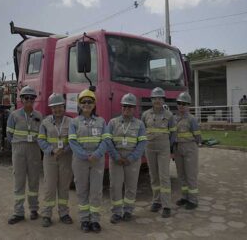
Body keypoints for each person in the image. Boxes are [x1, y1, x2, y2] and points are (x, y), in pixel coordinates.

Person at [68, 89, 111, 233]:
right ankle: (85, 220)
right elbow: (72, 142)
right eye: (83, 101)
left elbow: (106, 140)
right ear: (79, 104)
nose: (87, 104)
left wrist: (97, 154)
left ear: (94, 104)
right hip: (80, 161)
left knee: (96, 191)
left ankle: (95, 220)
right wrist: (85, 156)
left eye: (90, 101)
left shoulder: (101, 121)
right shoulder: (74, 122)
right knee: (82, 190)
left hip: (97, 160)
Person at [107, 93, 147, 224]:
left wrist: (132, 158)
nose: (127, 109)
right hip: (116, 159)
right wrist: (116, 156)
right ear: (121, 107)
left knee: (131, 186)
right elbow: (107, 141)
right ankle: (117, 212)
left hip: (132, 160)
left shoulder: (140, 124)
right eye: (125, 106)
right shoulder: (113, 123)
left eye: (130, 106)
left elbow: (142, 144)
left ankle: (128, 210)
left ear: (134, 108)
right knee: (115, 186)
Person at [6, 86, 43, 224]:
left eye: (32, 98)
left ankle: (34, 209)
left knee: (34, 181)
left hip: (34, 149)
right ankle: (18, 212)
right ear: (21, 99)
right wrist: (16, 145)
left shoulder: (39, 116)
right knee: (19, 181)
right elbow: (9, 134)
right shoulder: (14, 115)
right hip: (19, 150)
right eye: (26, 97)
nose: (29, 100)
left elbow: (42, 135)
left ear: (34, 100)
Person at [37, 93, 73, 227]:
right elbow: (40, 139)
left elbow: (73, 140)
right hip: (50, 158)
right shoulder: (45, 122)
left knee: (64, 186)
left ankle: (64, 213)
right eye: (54, 107)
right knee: (50, 187)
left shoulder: (71, 122)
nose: (57, 110)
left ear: (64, 106)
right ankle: (47, 214)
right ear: (50, 109)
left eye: (59, 107)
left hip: (65, 158)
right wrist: (51, 150)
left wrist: (65, 149)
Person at [141, 87, 175, 218]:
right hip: (149, 148)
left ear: (163, 100)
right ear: (151, 100)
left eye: (160, 98)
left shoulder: (169, 115)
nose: (157, 100)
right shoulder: (145, 115)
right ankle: (156, 201)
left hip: (163, 149)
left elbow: (173, 133)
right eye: (155, 98)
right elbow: (142, 131)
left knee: (164, 177)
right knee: (153, 175)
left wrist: (169, 147)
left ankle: (166, 205)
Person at [173, 92, 201, 210]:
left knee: (190, 175)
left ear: (188, 105)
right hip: (178, 148)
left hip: (189, 148)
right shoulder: (174, 118)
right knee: (181, 175)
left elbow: (198, 137)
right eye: (179, 103)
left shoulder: (192, 119)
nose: (181, 106)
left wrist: (191, 143)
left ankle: (193, 200)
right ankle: (184, 197)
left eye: (184, 104)